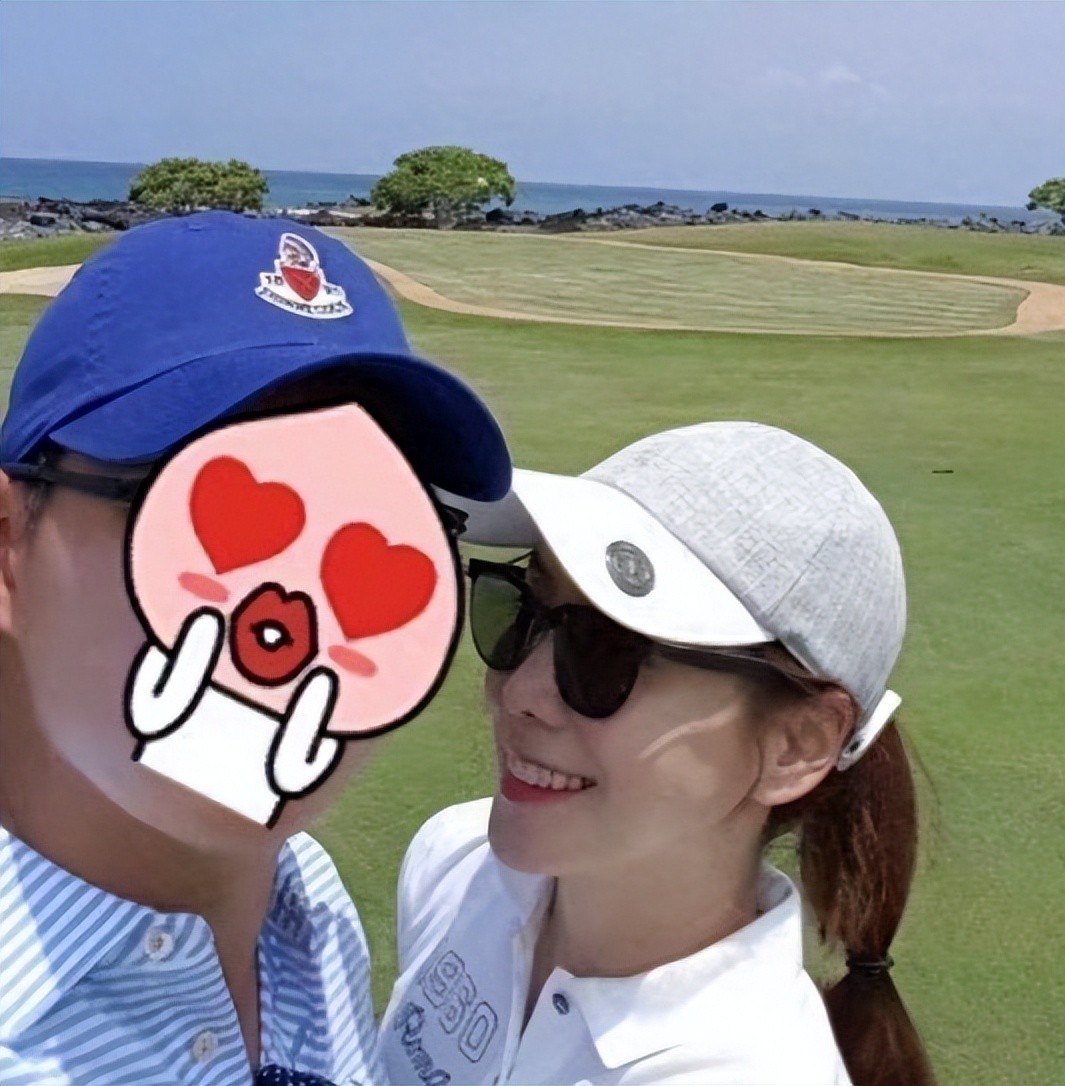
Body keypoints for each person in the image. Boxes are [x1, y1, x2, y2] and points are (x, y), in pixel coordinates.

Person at [0, 212, 510, 1085]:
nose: (291, 627)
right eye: (194, 505)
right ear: (11, 543)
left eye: (380, 522)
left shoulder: (305, 905)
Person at [380, 421, 935, 1086]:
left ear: (797, 745)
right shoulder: (455, 862)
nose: (518, 692)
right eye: (523, 608)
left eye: (607, 651)